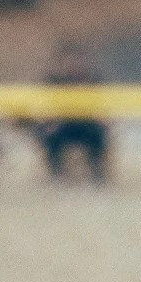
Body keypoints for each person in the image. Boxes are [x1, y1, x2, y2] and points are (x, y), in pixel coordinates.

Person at [34, 40, 110, 184]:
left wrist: (102, 119)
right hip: (61, 124)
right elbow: (42, 108)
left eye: (76, 61)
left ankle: (98, 175)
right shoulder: (52, 81)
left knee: (98, 134)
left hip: (87, 123)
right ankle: (57, 175)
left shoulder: (92, 80)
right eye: (68, 61)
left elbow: (104, 108)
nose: (73, 65)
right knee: (49, 134)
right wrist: (48, 121)